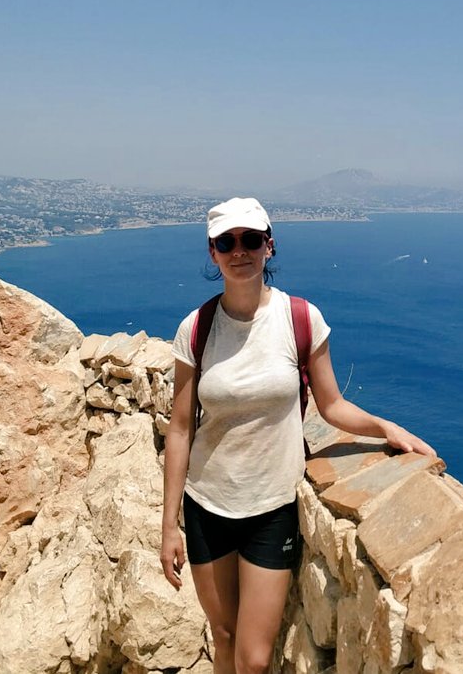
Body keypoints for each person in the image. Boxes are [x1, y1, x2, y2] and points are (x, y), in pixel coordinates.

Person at [160, 197, 435, 674]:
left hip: (272, 508)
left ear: (269, 246)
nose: (238, 250)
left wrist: (387, 427)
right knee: (223, 639)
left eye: (250, 240)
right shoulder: (197, 328)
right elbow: (181, 428)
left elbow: (332, 406)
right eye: (226, 242)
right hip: (207, 505)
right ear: (212, 253)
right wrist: (168, 525)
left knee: (255, 659)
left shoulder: (300, 319)